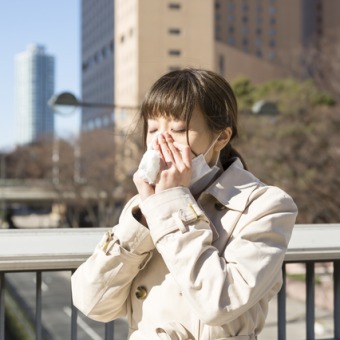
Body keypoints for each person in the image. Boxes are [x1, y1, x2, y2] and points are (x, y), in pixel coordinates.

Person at [71, 68, 298, 340]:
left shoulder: (266, 205)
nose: (161, 142)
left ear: (221, 137)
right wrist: (144, 218)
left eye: (178, 129)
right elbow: (92, 303)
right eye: (153, 129)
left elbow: (219, 302)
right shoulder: (145, 205)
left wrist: (171, 205)